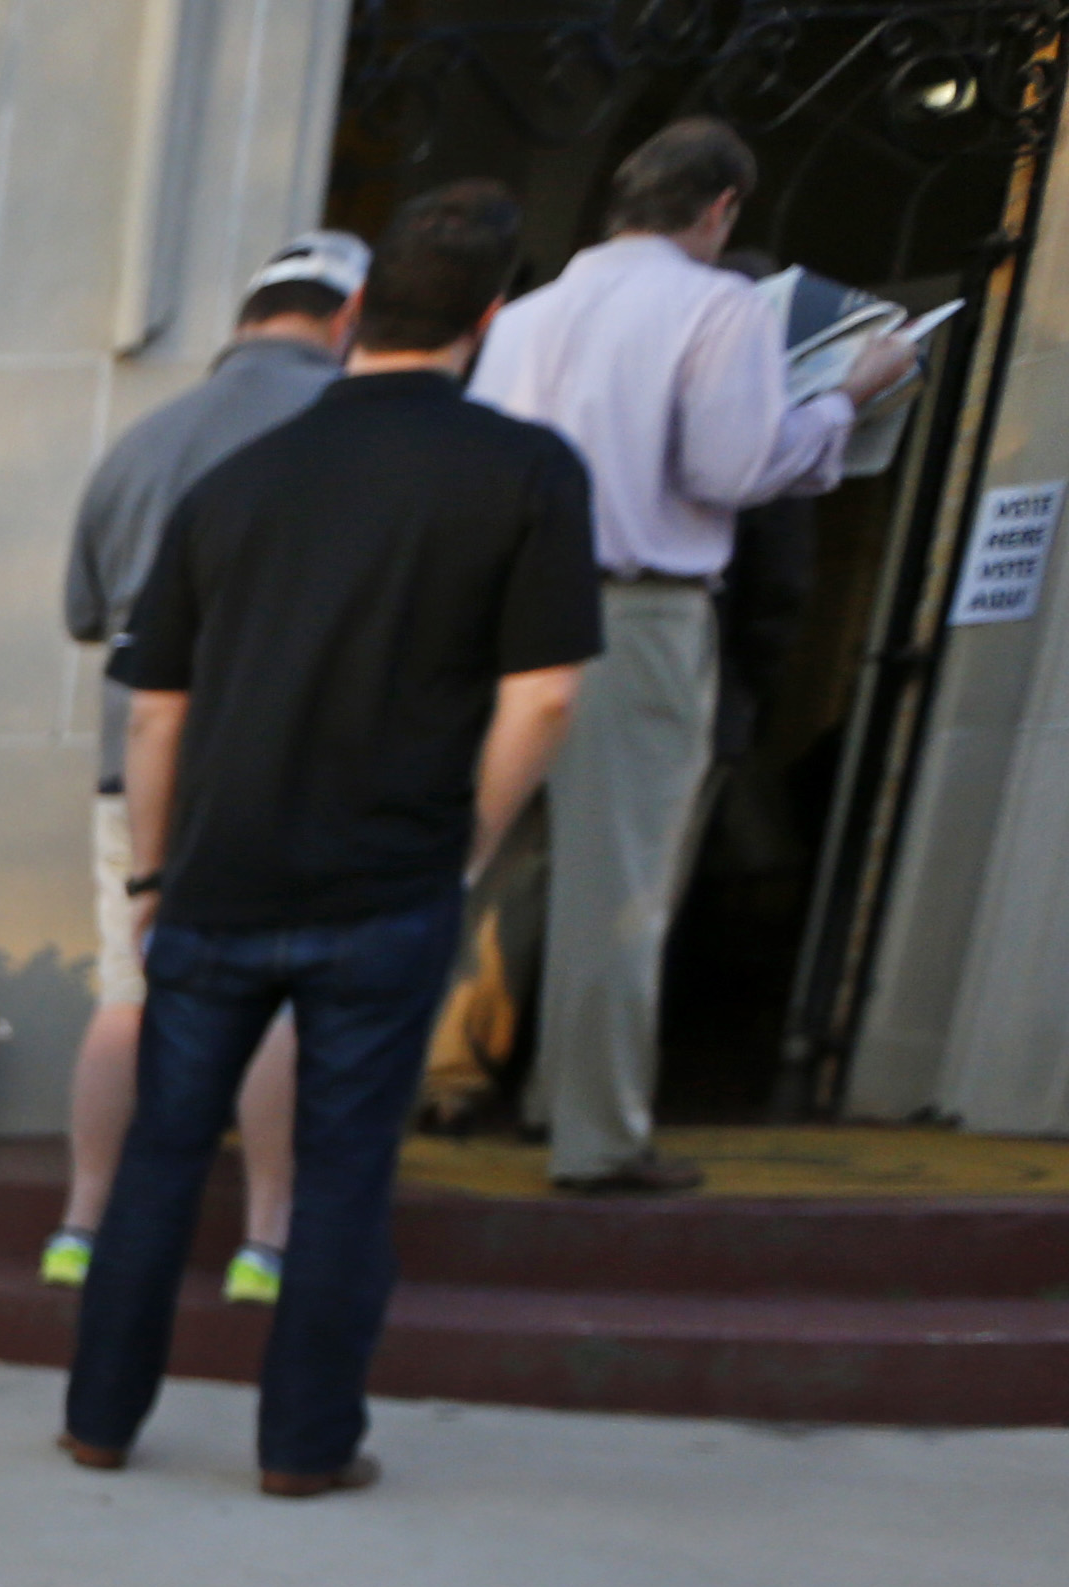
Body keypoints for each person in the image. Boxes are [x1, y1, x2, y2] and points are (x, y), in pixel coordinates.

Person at [66, 181, 600, 1497]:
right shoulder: (526, 473)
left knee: (162, 1158)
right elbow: (545, 694)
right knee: (346, 1171)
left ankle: (100, 1419)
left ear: (359, 311)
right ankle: (304, 1447)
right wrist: (470, 840)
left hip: (218, 878)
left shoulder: (237, 483)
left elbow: (155, 714)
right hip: (391, 877)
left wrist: (149, 869)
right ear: (487, 318)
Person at [473, 117, 915, 1197]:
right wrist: (847, 397)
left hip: (503, 611)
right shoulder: (714, 305)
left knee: (475, 866)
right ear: (719, 211)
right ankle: (597, 1135)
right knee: (619, 891)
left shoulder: (522, 319)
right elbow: (733, 465)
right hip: (637, 615)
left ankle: (404, 1096)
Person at [49, 232, 366, 1302]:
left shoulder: (139, 444)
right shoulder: (338, 435)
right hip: (280, 763)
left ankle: (80, 1226)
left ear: (244, 320)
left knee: (127, 996)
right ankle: (265, 1243)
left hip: (134, 765)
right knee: (281, 1004)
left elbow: (86, 615)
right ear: (347, 315)